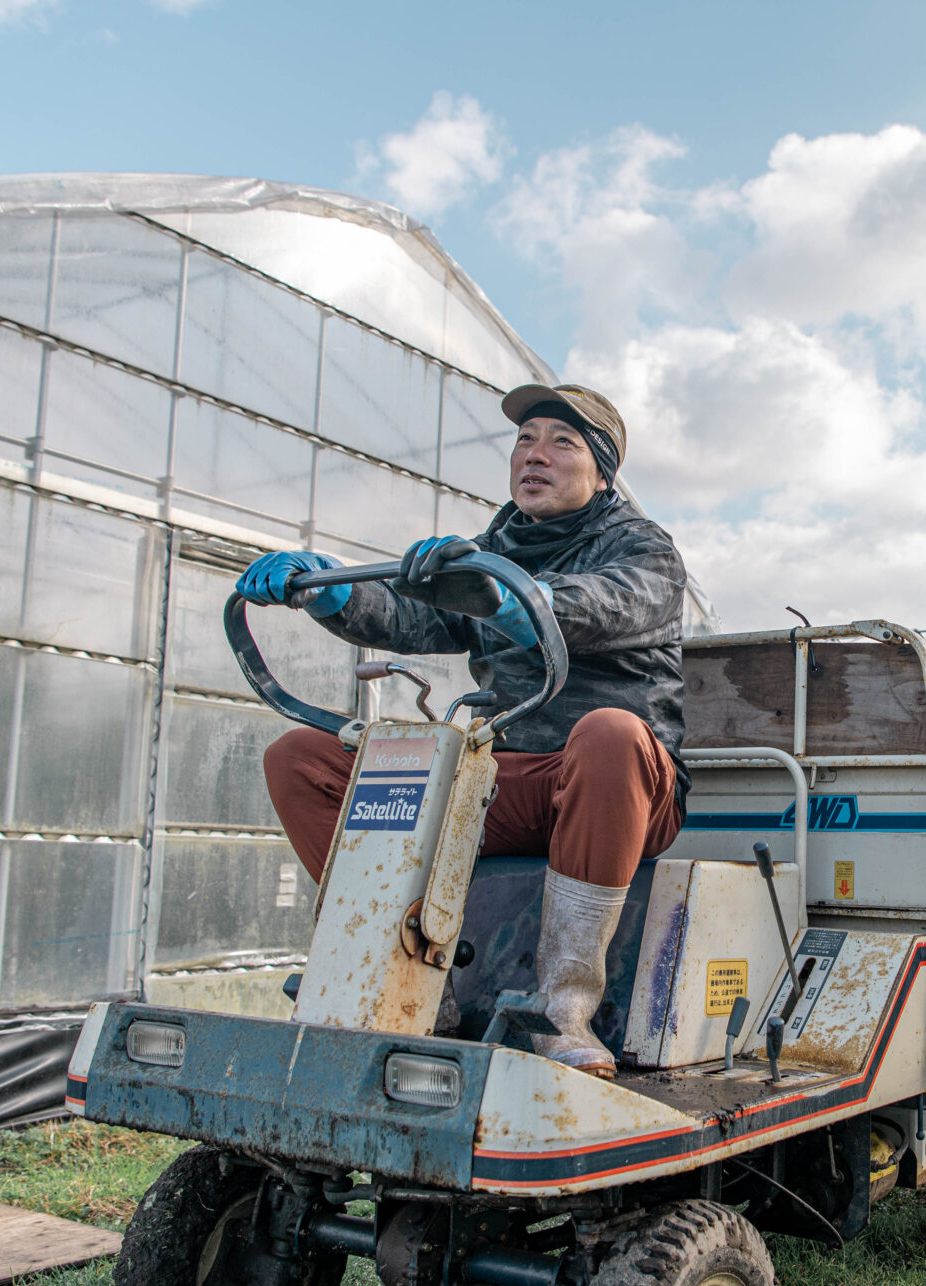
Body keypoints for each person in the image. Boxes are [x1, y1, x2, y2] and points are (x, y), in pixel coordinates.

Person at [234, 384, 686, 1078]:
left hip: (611, 786)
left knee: (610, 733)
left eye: (562, 442)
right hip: (500, 782)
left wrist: (510, 596)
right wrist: (333, 592)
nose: (535, 454)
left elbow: (599, 606)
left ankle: (562, 1010)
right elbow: (410, 616)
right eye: (525, 438)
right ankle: (405, 976)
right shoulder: (490, 548)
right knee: (302, 758)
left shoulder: (643, 549)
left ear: (601, 469)